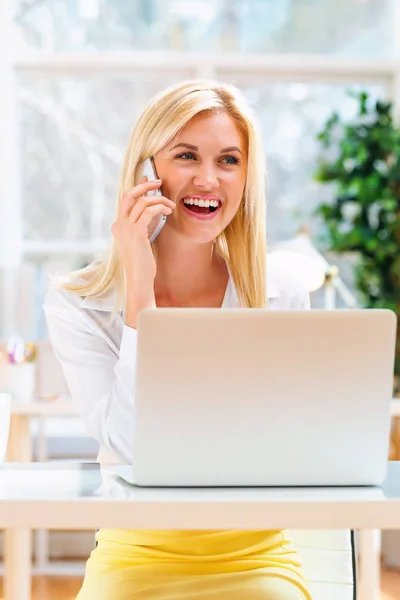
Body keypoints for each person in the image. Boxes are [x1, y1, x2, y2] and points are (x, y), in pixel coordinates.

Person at [44, 80, 312, 600]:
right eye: (186, 155)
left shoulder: (280, 295)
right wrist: (139, 288)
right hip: (135, 550)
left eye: (229, 160)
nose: (208, 179)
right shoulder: (78, 304)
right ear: (147, 173)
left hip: (254, 551)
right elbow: (127, 446)